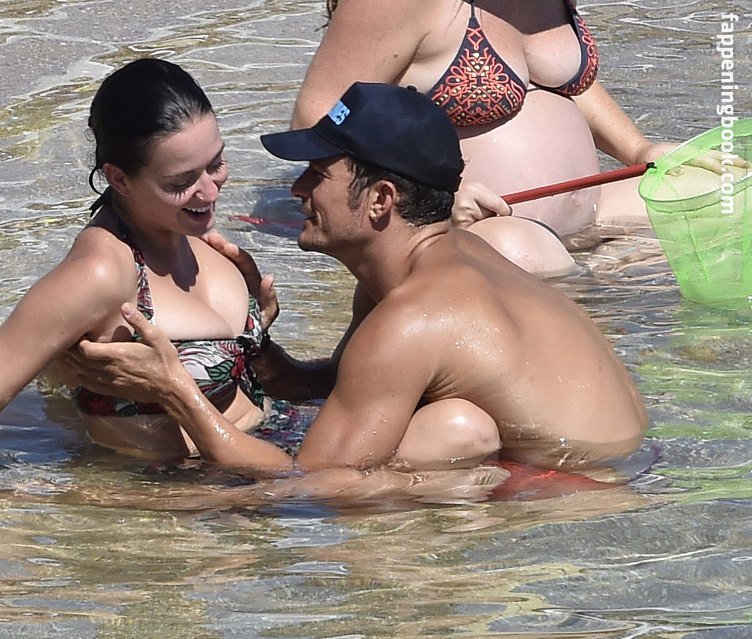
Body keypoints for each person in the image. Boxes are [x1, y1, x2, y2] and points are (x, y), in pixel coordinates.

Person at [62, 82, 650, 485]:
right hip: (627, 469)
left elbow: (301, 485)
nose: (297, 190)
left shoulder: (410, 319)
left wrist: (176, 391)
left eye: (317, 174)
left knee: (429, 442)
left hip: (571, 500)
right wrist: (258, 351)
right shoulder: (445, 260)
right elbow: (348, 384)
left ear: (380, 201)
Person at [0, 58, 272, 530]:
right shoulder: (99, 275)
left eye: (216, 164)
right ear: (119, 179)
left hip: (264, 464)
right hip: (180, 508)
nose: (209, 192)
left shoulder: (194, 235)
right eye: (181, 182)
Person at [289, 0, 674, 274]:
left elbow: (562, 82)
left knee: (695, 192)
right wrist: (430, 197)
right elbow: (318, 116)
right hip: (481, 231)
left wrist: (638, 148)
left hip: (589, 218)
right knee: (521, 253)